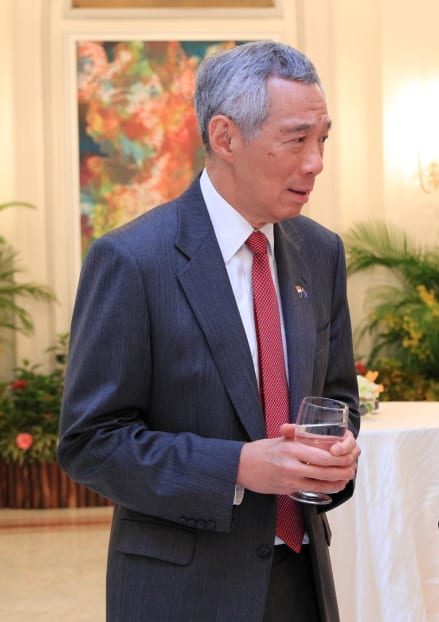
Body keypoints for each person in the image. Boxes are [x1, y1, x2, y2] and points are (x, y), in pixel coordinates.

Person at [57, 41, 361, 622]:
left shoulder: (321, 252)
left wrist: (338, 453)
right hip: (182, 593)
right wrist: (239, 468)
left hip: (303, 584)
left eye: (323, 139)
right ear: (225, 138)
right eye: (297, 139)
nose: (316, 161)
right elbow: (90, 442)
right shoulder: (132, 260)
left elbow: (339, 398)